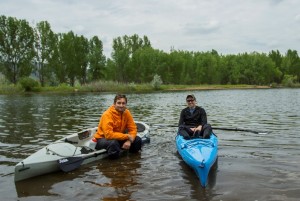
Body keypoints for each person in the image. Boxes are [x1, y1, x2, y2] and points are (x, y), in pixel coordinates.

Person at [93, 94, 142, 159]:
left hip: (118, 137)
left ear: (126, 104)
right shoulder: (107, 115)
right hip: (103, 139)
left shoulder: (127, 113)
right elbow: (108, 135)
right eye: (119, 103)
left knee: (138, 140)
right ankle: (113, 164)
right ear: (114, 104)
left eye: (123, 103)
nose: (121, 105)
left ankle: (131, 160)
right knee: (113, 144)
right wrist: (127, 136)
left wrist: (129, 141)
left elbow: (133, 129)